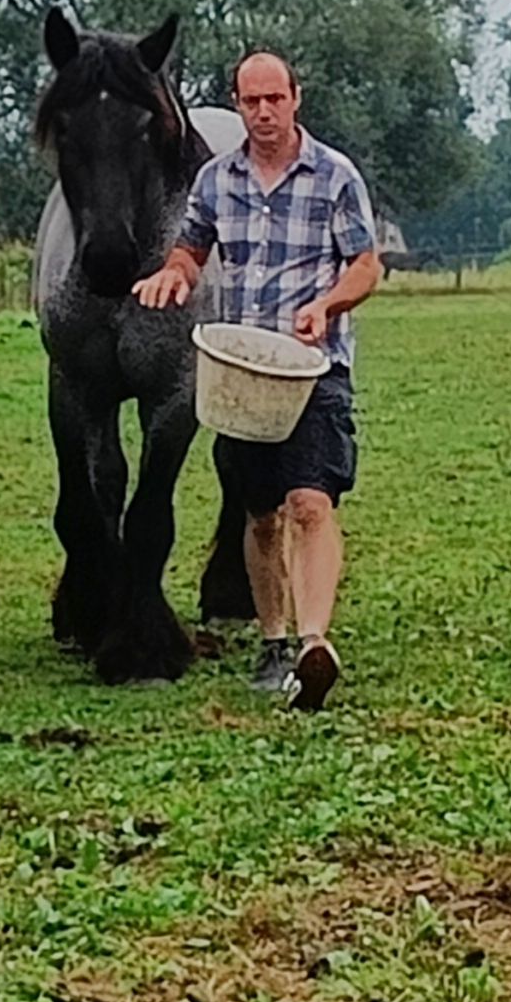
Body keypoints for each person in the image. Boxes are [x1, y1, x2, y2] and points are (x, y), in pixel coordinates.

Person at [133, 50, 382, 708]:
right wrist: (174, 274)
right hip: (243, 371)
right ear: (238, 105)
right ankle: (272, 639)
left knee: (310, 502)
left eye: (275, 99)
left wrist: (327, 305)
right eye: (251, 102)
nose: (264, 113)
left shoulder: (333, 176)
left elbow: (365, 264)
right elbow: (191, 247)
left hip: (313, 368)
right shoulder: (217, 181)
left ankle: (311, 642)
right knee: (260, 513)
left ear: (295, 97)